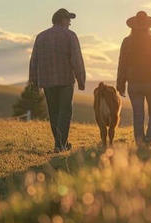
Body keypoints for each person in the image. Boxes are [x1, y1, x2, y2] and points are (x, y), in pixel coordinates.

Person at [29, 8, 86, 153]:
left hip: (47, 81)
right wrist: (81, 79)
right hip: (65, 79)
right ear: (63, 20)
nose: (70, 24)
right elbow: (76, 59)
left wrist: (33, 81)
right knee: (65, 112)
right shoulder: (70, 35)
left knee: (54, 112)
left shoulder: (41, 37)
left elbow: (34, 60)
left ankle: (60, 143)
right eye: (68, 20)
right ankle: (60, 144)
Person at [117, 11, 151, 144]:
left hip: (134, 84)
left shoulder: (127, 42)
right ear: (148, 26)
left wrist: (120, 84)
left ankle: (140, 140)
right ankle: (150, 139)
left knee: (138, 114)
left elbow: (122, 64)